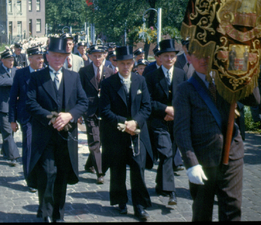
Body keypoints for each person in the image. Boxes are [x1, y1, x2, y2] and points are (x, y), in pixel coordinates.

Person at [173, 53, 260, 221]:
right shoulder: (185, 89)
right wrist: (191, 164)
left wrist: (245, 69)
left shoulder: (227, 82)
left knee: (232, 209)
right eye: (198, 55)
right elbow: (181, 130)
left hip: (231, 154)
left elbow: (254, 100)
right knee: (202, 212)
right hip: (203, 160)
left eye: (208, 55)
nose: (204, 59)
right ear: (189, 58)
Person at [26, 37, 88, 222]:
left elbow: (83, 102)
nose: (58, 59)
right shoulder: (36, 78)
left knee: (61, 175)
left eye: (62, 56)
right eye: (54, 55)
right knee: (47, 174)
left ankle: (58, 215)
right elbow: (30, 103)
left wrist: (70, 115)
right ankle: (45, 214)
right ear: (47, 56)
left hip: (66, 137)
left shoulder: (73, 77)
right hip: (45, 137)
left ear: (66, 57)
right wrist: (52, 118)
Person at [100, 45, 154, 220]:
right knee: (118, 169)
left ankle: (139, 206)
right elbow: (105, 111)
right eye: (122, 63)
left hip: (137, 133)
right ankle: (120, 200)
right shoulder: (108, 83)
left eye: (129, 63)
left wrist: (135, 122)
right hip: (116, 134)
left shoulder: (141, 81)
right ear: (116, 64)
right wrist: (125, 123)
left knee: (138, 169)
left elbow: (147, 106)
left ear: (133, 63)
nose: (126, 67)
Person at [145, 39, 187, 206]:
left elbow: (184, 98)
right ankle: (171, 191)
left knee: (167, 154)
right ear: (159, 58)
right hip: (158, 122)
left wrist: (175, 112)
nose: (169, 59)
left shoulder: (181, 74)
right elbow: (148, 102)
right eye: (166, 56)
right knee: (166, 152)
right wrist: (165, 110)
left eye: (172, 56)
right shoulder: (151, 77)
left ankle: (160, 184)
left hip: (175, 122)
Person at [9, 46, 44, 192]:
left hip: (43, 117)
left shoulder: (46, 73)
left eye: (42, 57)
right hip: (26, 117)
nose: (41, 60)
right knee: (29, 147)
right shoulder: (20, 74)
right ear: (30, 59)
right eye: (38, 58)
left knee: (43, 147)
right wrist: (12, 120)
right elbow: (13, 97)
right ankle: (31, 180)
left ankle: (42, 175)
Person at [78, 44, 114, 184]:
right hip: (89, 110)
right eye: (94, 55)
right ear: (90, 56)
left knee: (103, 140)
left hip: (105, 111)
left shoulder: (110, 72)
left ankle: (89, 164)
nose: (97, 58)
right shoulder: (84, 71)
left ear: (105, 55)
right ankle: (100, 172)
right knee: (94, 139)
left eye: (100, 55)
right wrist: (79, 112)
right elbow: (79, 92)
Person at [0, 48, 21, 166]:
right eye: (9, 60)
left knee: (11, 131)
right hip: (2, 106)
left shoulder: (15, 70)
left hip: (13, 106)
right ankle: (13, 156)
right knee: (7, 131)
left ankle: (5, 150)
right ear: (2, 60)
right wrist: (15, 80)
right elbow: (0, 83)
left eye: (12, 60)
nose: (11, 62)